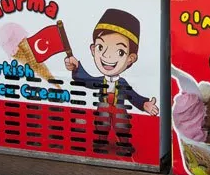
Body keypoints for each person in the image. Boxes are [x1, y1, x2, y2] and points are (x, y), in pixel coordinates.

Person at [64, 8, 159, 157]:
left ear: (131, 58)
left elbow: (133, 96)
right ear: (93, 49)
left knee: (122, 125)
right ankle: (101, 143)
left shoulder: (122, 82)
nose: (108, 56)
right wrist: (76, 67)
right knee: (101, 124)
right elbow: (85, 79)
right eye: (101, 47)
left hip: (119, 107)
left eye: (120, 52)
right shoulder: (100, 80)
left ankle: (124, 144)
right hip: (103, 106)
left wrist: (144, 103)